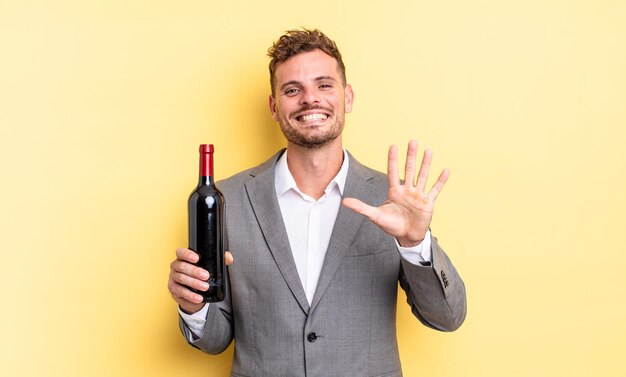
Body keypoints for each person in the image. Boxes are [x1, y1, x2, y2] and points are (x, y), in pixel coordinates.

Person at [168, 28, 466, 377]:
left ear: (348, 97)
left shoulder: (391, 201)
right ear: (274, 107)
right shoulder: (228, 200)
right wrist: (194, 306)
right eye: (293, 90)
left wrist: (415, 243)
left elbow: (447, 318)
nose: (311, 99)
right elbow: (216, 339)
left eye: (324, 85)